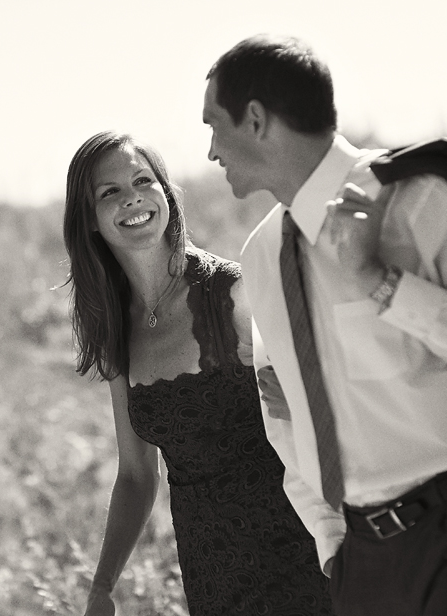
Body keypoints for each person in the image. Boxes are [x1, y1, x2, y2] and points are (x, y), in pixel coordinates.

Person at [202, 34, 447, 615]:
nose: (212, 151)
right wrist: (332, 549)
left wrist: (381, 282)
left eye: (215, 124)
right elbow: (286, 416)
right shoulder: (263, 255)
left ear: (257, 120)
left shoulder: (421, 201)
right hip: (363, 564)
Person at [63, 130, 335, 615]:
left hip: (300, 547)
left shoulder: (235, 295)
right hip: (210, 569)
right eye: (110, 192)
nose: (132, 199)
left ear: (166, 193)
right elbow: (136, 473)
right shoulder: (115, 331)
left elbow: (319, 413)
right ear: (89, 220)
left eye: (142, 180)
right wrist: (102, 586)